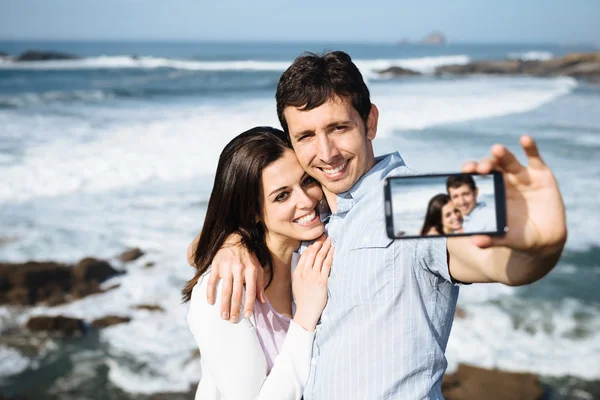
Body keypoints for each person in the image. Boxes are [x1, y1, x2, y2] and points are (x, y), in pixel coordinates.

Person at [188, 51, 567, 399]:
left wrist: (540, 247)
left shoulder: (410, 201)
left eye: (338, 127)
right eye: (306, 136)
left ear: (370, 122)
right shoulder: (313, 217)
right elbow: (241, 227)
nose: (326, 153)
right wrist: (232, 244)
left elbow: (496, 264)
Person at [182, 126, 333, 399]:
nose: (306, 200)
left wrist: (231, 241)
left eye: (307, 181)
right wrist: (305, 318)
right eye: (282, 195)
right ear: (252, 212)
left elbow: (196, 248)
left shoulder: (314, 250)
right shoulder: (224, 291)